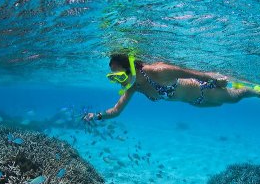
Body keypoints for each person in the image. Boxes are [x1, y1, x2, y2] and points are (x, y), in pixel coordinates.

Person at [84, 54, 260, 121]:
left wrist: (215, 80)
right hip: (195, 102)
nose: (119, 82)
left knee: (237, 97)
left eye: (120, 76)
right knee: (219, 105)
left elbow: (194, 74)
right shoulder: (134, 86)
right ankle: (240, 86)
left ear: (131, 68)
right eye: (113, 78)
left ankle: (254, 90)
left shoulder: (158, 71)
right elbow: (116, 110)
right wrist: (97, 116)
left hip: (204, 89)